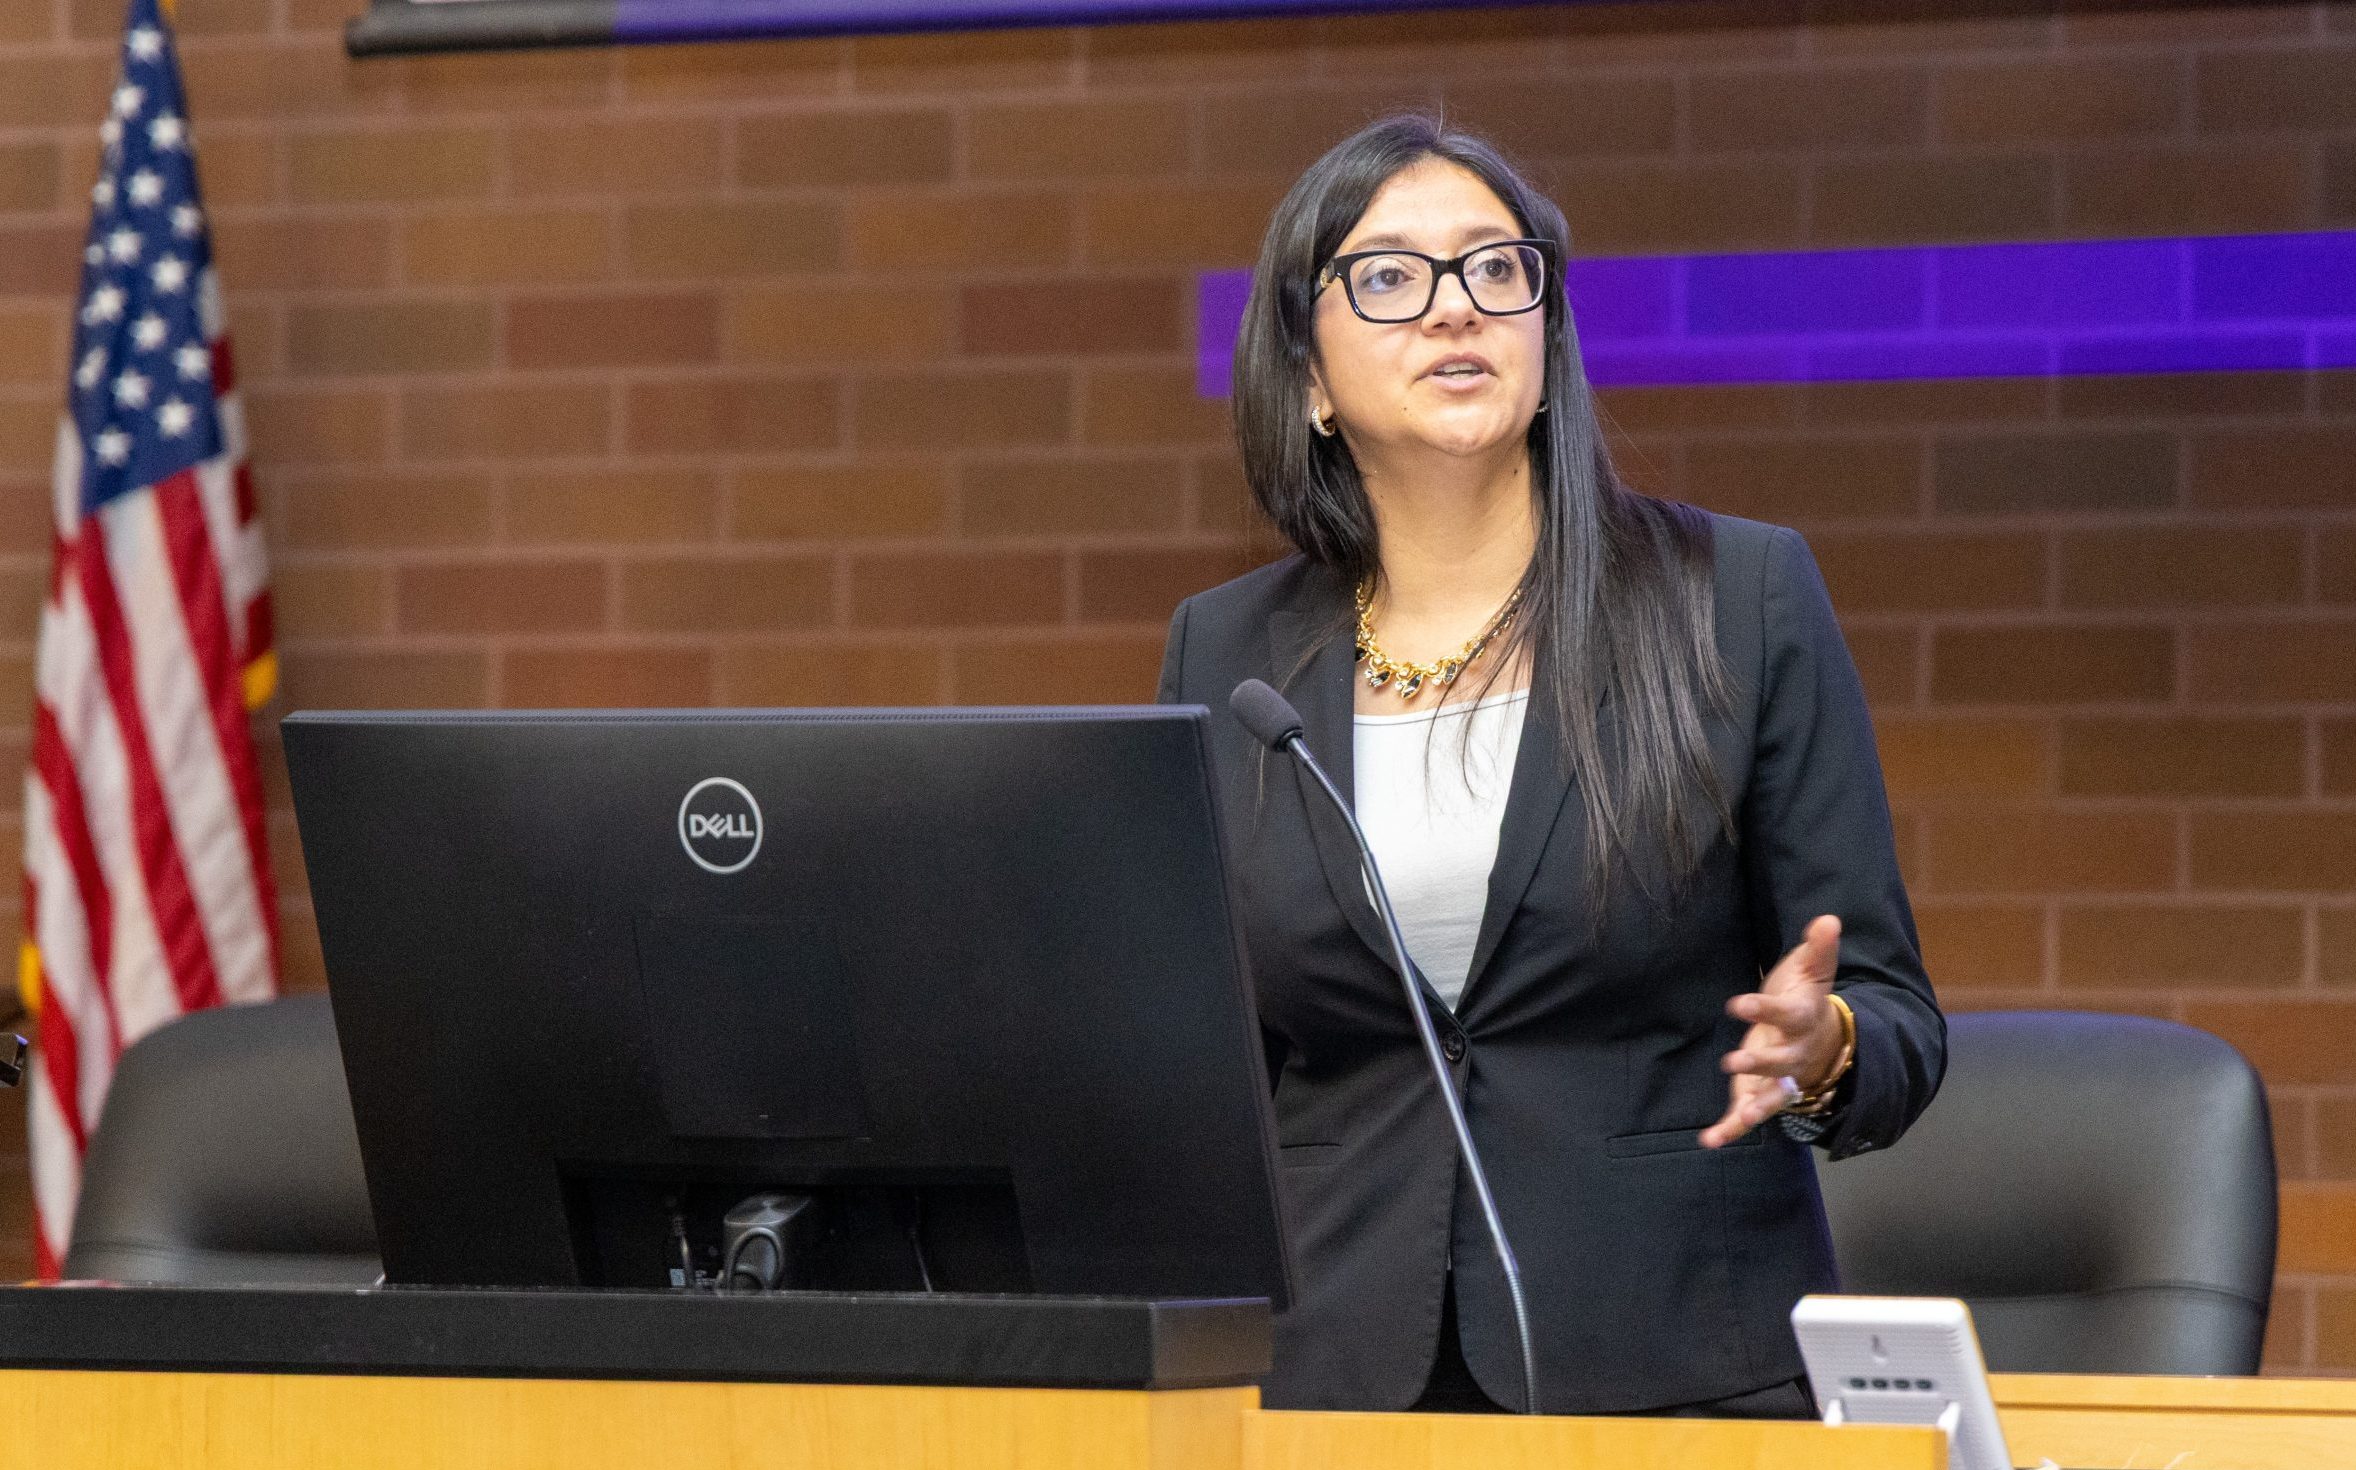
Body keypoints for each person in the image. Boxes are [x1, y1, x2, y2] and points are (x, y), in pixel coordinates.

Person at [1155, 115, 1944, 1418]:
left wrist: (1827, 1044)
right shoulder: (1228, 651)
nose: (1455, 308)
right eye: (1391, 277)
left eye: (1494, 268)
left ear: (1547, 333)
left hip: (1673, 1370)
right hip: (1336, 1377)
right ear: (1305, 373)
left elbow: (1893, 1011)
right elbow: (1201, 1060)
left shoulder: (1735, 598)